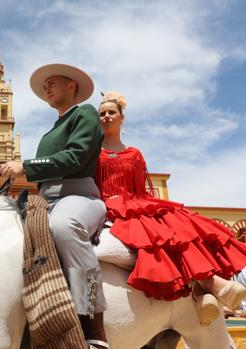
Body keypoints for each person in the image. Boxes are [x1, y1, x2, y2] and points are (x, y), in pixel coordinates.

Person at [95, 91, 246, 325]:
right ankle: (207, 288)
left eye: (111, 112)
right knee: (152, 235)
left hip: (133, 202)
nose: (106, 116)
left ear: (122, 118)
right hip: (106, 203)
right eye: (102, 113)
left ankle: (205, 288)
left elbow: (139, 190)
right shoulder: (92, 152)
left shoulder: (134, 154)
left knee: (177, 228)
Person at [0, 64, 109, 349]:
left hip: (79, 197)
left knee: (64, 226)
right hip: (46, 200)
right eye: (45, 85)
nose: (46, 88)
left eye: (52, 83)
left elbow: (75, 157)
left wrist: (25, 166)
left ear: (72, 86)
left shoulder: (85, 113)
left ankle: (93, 327)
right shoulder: (51, 132)